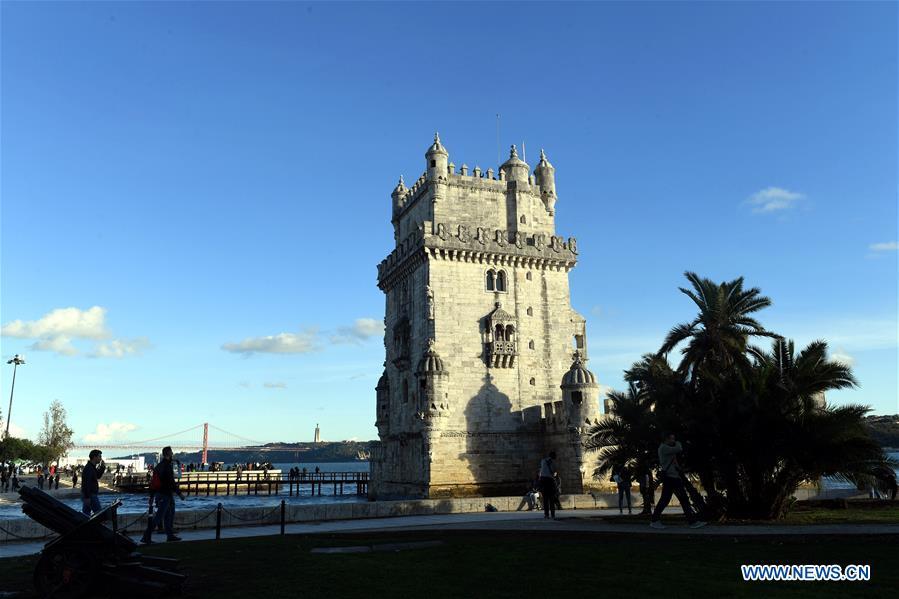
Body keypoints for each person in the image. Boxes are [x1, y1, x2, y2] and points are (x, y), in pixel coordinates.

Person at [650, 433, 706, 529]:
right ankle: (692, 522)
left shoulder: (666, 449)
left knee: (668, 499)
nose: (673, 441)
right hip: (671, 478)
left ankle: (655, 520)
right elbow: (679, 448)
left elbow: (674, 463)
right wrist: (678, 442)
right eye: (672, 439)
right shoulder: (664, 448)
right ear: (666, 439)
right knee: (680, 499)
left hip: (673, 477)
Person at [141, 446, 184, 544]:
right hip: (166, 494)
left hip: (160, 494)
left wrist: (152, 496)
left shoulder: (159, 466)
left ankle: (170, 535)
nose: (173, 454)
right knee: (160, 517)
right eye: (171, 452)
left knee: (168, 515)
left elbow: (153, 482)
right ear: (168, 454)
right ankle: (146, 536)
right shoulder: (166, 466)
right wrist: (179, 493)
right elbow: (171, 482)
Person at [81, 450, 106, 516]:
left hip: (89, 494)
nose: (101, 458)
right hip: (91, 494)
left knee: (86, 514)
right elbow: (86, 483)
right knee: (99, 513)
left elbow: (97, 476)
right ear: (94, 457)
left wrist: (102, 468)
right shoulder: (89, 468)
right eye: (99, 456)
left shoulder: (92, 467)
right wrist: (87, 497)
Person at [538, 451, 558, 520]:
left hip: (543, 481)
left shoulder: (543, 461)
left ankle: (546, 515)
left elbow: (541, 471)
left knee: (545, 499)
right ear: (553, 456)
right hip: (549, 481)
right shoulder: (553, 462)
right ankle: (552, 514)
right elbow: (554, 472)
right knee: (551, 499)